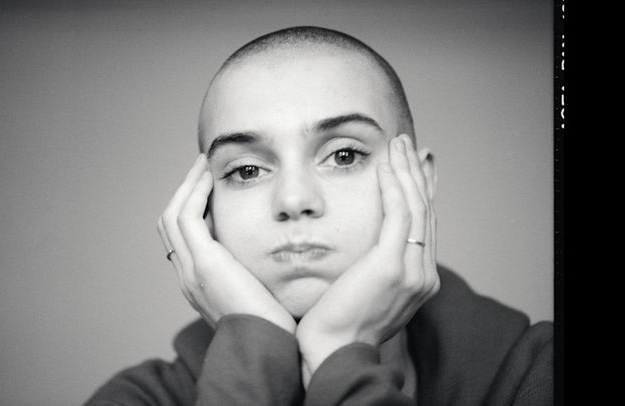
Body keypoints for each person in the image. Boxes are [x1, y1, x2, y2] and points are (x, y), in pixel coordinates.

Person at [85, 26, 553, 405]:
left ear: (421, 184)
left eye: (344, 156)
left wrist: (339, 352)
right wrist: (255, 351)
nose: (293, 200)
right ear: (203, 211)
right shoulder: (136, 399)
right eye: (247, 169)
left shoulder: (539, 376)